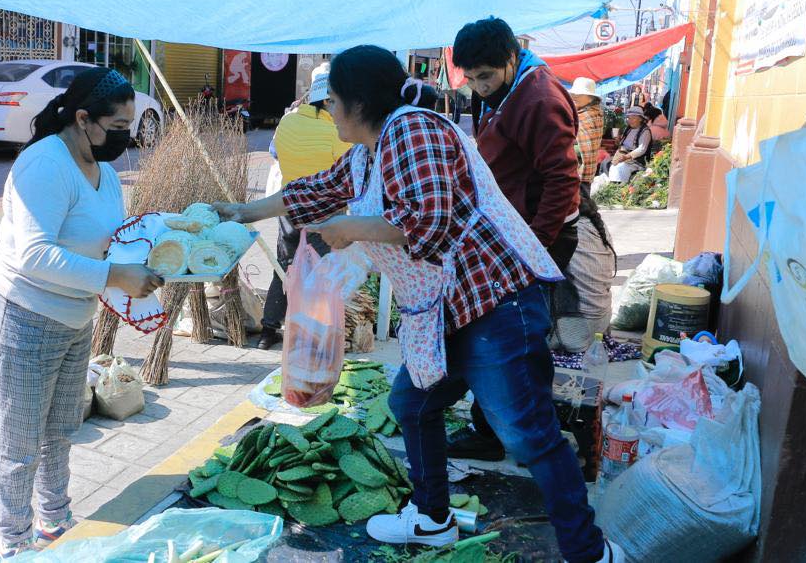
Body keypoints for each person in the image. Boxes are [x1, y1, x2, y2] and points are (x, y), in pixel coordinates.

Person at [214, 45, 621, 563]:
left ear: (359, 102)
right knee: (412, 402)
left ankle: (590, 553)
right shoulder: (367, 152)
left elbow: (428, 224)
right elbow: (312, 191)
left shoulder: (415, 130)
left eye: (333, 100)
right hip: (445, 310)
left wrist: (346, 229)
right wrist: (239, 212)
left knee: (526, 433)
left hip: (493, 302)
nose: (329, 111)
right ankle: (432, 518)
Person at [0, 67, 164, 560]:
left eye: (131, 125)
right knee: (20, 443)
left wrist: (161, 251)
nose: (126, 136)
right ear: (83, 118)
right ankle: (14, 540)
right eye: (119, 126)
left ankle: (55, 517)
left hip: (76, 318)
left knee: (62, 428)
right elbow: (33, 255)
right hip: (25, 315)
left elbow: (111, 237)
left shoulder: (104, 172)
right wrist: (113, 277)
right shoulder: (44, 165)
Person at [446, 17, 581, 461]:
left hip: (538, 236)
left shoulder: (539, 99)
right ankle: (498, 428)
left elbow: (563, 179)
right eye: (471, 78)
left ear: (511, 58)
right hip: (510, 230)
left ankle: (526, 436)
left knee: (519, 337)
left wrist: (535, 248)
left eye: (485, 76)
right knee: (503, 332)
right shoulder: (502, 92)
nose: (479, 87)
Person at [258, 63, 351, 349]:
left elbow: (273, 151)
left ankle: (268, 330)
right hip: (323, 213)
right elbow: (349, 171)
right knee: (317, 273)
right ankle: (307, 335)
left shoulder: (288, 121)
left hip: (286, 207)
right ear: (327, 100)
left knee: (283, 266)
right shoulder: (336, 132)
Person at [568, 77, 605, 191]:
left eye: (579, 94)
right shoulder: (593, 112)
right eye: (573, 94)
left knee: (580, 206)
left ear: (590, 98)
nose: (574, 97)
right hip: (585, 173)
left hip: (580, 174)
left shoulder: (586, 116)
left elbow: (586, 150)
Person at [604, 105, 652, 183]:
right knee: (605, 162)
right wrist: (618, 141)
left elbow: (641, 149)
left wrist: (626, 157)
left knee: (619, 167)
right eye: (629, 118)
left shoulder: (645, 131)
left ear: (640, 119)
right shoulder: (628, 129)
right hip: (623, 155)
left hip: (636, 160)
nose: (630, 120)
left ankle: (619, 187)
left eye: (633, 118)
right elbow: (622, 144)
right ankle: (611, 184)